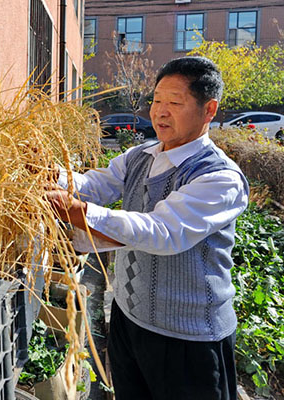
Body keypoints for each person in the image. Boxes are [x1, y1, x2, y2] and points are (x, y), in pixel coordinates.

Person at [45, 56, 249, 399]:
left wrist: (76, 212)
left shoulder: (220, 178)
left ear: (209, 109)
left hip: (188, 339)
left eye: (174, 103)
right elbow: (95, 185)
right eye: (156, 100)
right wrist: (52, 175)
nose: (160, 112)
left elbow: (162, 232)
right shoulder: (141, 155)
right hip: (129, 319)